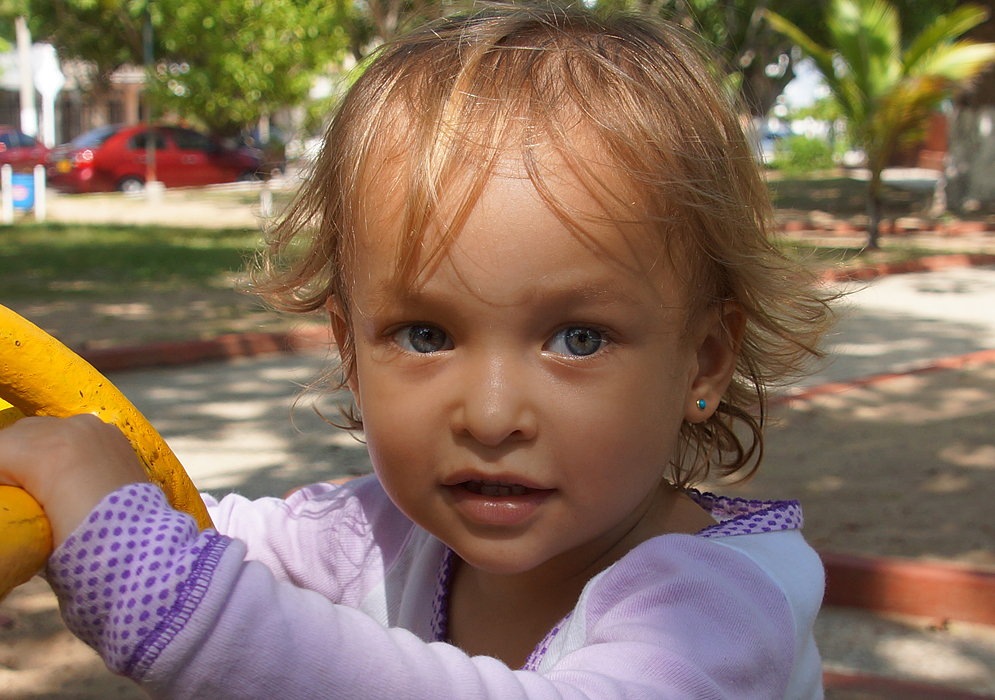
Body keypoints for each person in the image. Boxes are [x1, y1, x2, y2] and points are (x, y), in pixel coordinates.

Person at [0, 5, 834, 699]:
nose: (493, 414)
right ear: (350, 351)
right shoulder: (379, 533)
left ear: (704, 362)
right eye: (425, 335)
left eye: (578, 339)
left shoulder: (720, 606)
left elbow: (179, 567)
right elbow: (198, 527)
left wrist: (168, 601)